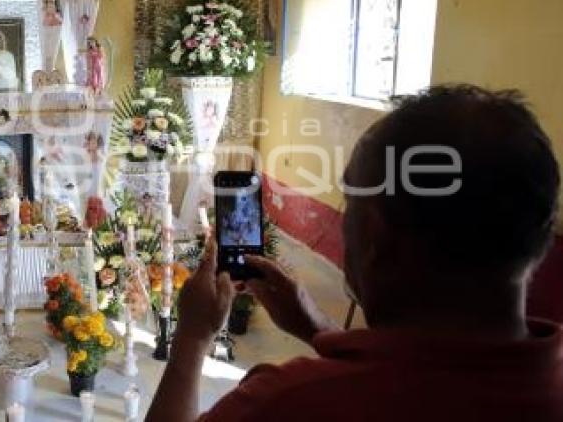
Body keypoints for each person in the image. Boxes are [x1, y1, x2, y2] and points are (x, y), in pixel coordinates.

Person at [147, 85, 563, 422]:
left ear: (374, 232)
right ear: (540, 234)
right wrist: (322, 332)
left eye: (351, 200)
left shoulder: (289, 402)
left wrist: (191, 338)